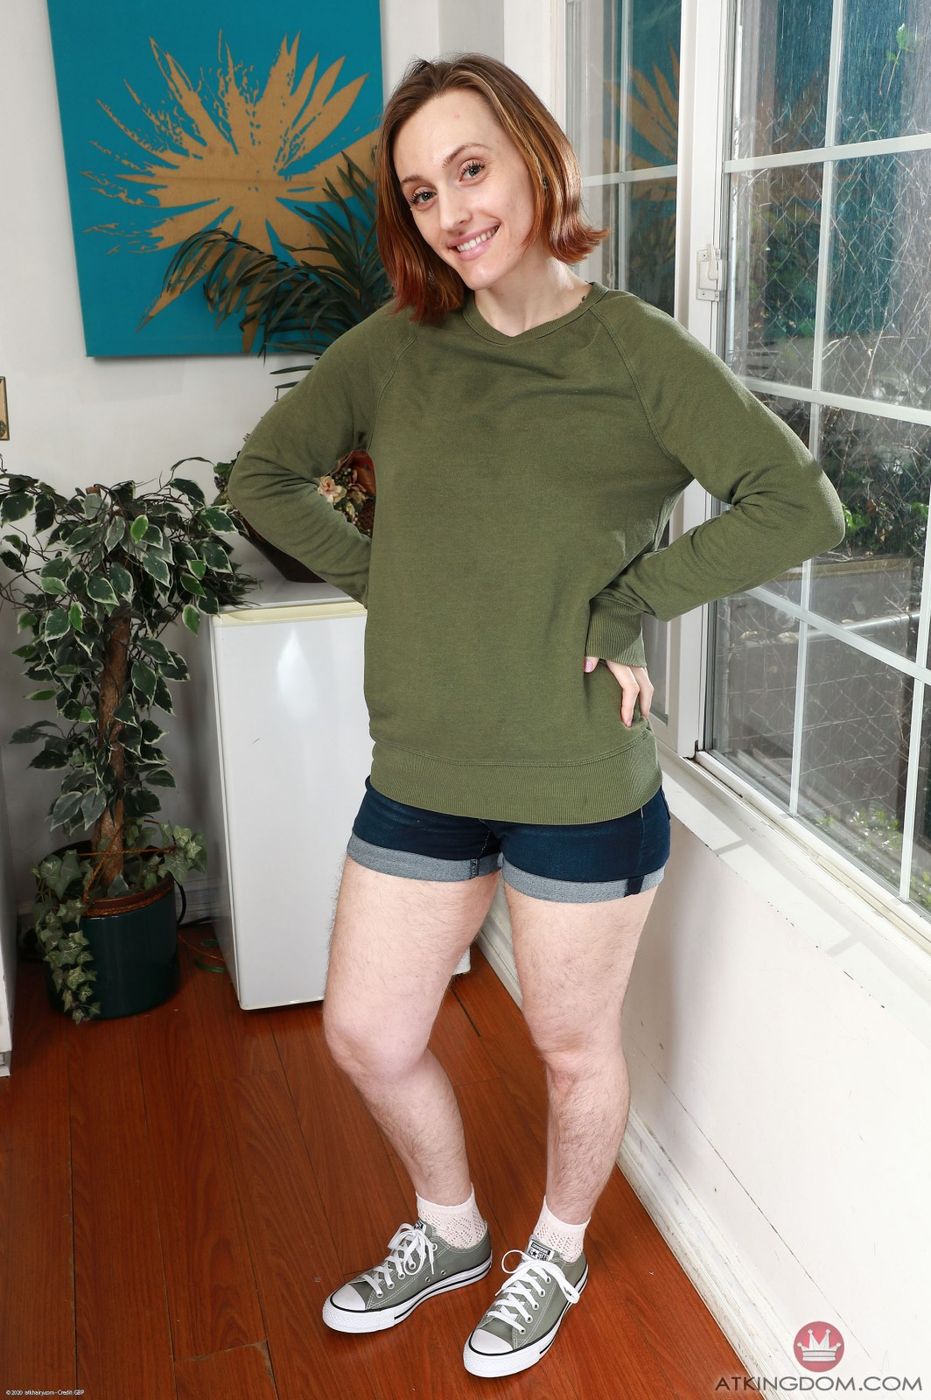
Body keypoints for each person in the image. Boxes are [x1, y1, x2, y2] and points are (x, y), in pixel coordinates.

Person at [226, 52, 845, 1381]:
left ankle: (554, 1252)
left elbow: (801, 505)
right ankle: (452, 1229)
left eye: (472, 169)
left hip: (575, 774)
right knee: (367, 1033)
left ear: (534, 160)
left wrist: (628, 604)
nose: (453, 212)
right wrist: (388, 578)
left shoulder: (636, 352)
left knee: (569, 1049)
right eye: (421, 192)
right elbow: (265, 475)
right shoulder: (393, 348)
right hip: (426, 762)